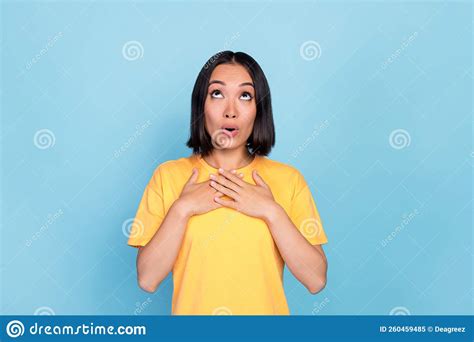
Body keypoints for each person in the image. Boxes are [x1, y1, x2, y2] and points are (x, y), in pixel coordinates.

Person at [127, 51, 328, 315]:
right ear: (201, 105)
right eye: (217, 94)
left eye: (245, 96)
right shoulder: (168, 176)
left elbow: (316, 280)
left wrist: (271, 211)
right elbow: (147, 279)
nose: (230, 112)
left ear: (259, 109)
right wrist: (182, 208)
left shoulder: (288, 180)